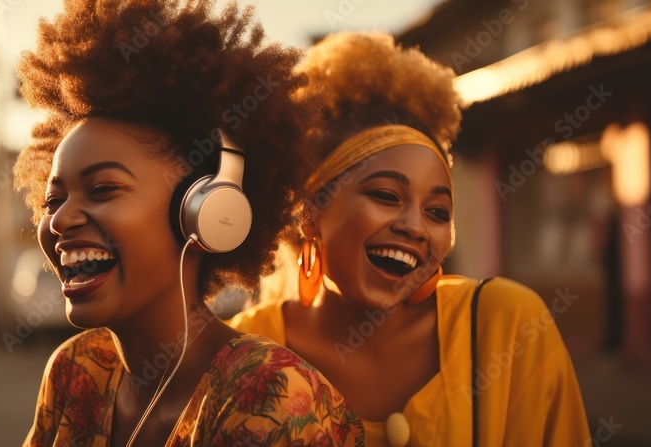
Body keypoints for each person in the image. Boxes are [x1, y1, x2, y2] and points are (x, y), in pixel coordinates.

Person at [13, 1, 363, 445]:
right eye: (52, 199)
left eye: (103, 189)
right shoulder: (78, 368)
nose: (60, 220)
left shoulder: (271, 396)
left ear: (208, 212)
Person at [229, 31, 591, 446]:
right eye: (386, 196)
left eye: (437, 212)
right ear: (311, 213)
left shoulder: (507, 325)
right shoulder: (245, 348)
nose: (415, 228)